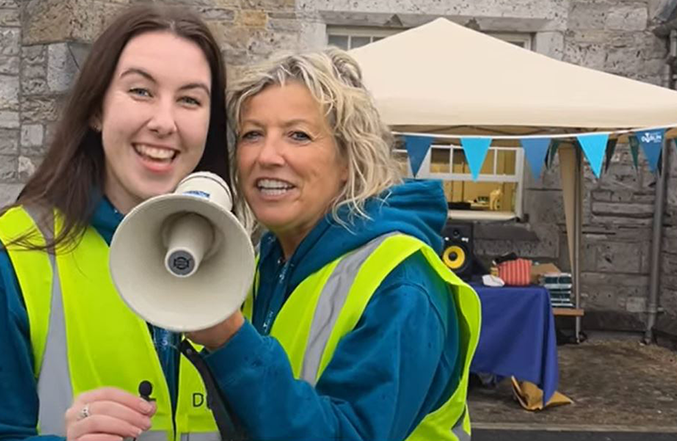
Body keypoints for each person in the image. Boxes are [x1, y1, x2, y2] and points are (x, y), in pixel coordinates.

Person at [0, 4, 232, 441]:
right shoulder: (3, 263)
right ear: (96, 109)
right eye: (140, 91)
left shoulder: (240, 260)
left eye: (190, 100)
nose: (164, 123)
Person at [186, 49, 482, 440]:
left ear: (349, 160)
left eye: (298, 135)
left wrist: (230, 340)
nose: (267, 155)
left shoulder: (402, 283)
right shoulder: (267, 258)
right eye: (252, 134)